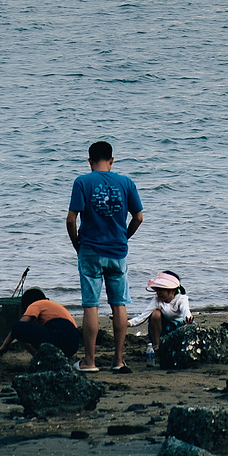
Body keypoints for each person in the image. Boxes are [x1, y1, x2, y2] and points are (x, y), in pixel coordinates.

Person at [66, 140, 144, 373]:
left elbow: (71, 219)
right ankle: (118, 361)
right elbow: (138, 217)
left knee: (91, 305)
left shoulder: (82, 182)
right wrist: (125, 237)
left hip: (90, 249)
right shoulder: (126, 183)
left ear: (89, 161)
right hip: (117, 250)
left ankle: (90, 361)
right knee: (118, 304)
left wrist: (76, 245)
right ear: (112, 160)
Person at [0, 287, 81, 359]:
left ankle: (38, 358)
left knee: (18, 327)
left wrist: (5, 345)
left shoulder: (36, 304)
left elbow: (19, 326)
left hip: (59, 334)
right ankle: (51, 358)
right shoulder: (54, 306)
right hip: (73, 346)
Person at [130, 270, 191, 366]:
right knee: (155, 314)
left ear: (172, 290)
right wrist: (129, 323)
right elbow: (144, 315)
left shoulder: (181, 299)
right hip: (162, 328)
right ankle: (156, 347)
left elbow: (185, 310)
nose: (159, 293)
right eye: (157, 290)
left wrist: (188, 319)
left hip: (179, 326)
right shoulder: (157, 300)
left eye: (162, 290)